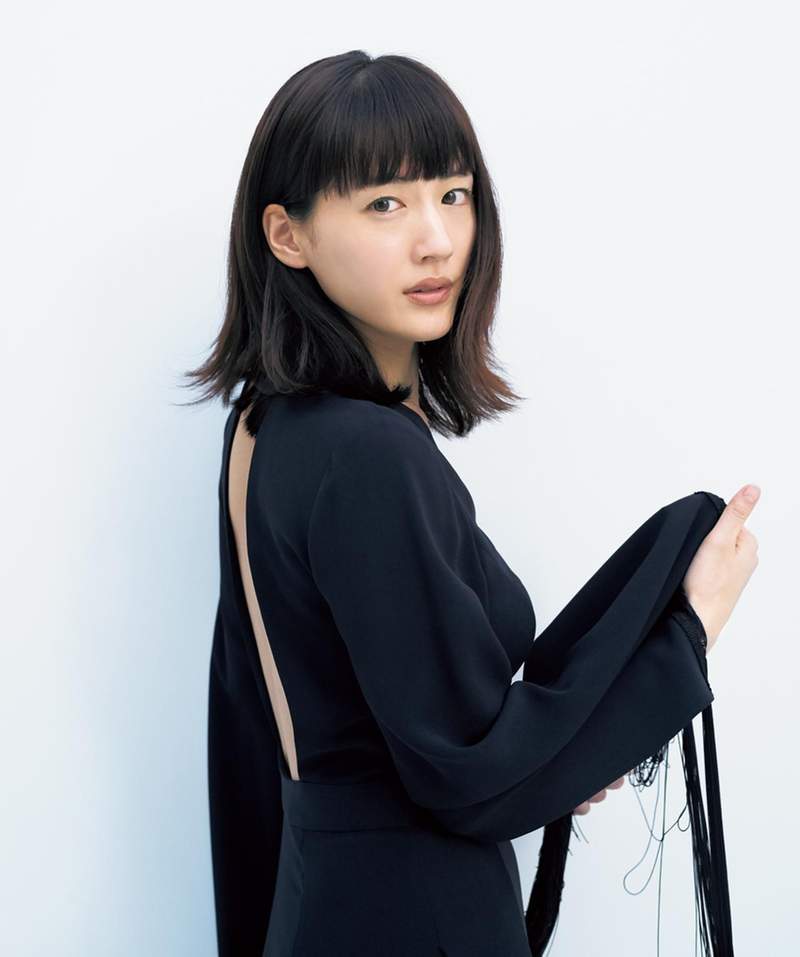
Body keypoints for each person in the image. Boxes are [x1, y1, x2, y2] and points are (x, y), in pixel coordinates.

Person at [183, 50, 760, 957]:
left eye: (453, 194)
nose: (438, 240)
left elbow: (347, 726)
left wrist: (558, 758)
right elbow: (472, 780)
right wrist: (692, 627)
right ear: (288, 235)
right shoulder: (365, 454)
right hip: (410, 919)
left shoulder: (267, 424)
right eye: (385, 203)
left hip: (320, 900)